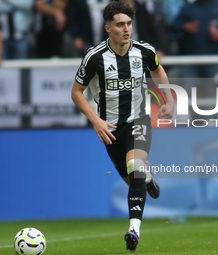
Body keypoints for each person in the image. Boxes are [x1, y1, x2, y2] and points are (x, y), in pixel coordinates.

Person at [71, 0, 174, 251]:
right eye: (120, 24)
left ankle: (133, 230)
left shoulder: (144, 51)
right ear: (108, 28)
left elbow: (158, 70)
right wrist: (95, 120)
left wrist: (168, 98)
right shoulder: (94, 57)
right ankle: (147, 177)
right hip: (110, 128)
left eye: (129, 23)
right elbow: (76, 92)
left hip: (138, 119)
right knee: (134, 181)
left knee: (134, 165)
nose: (126, 29)